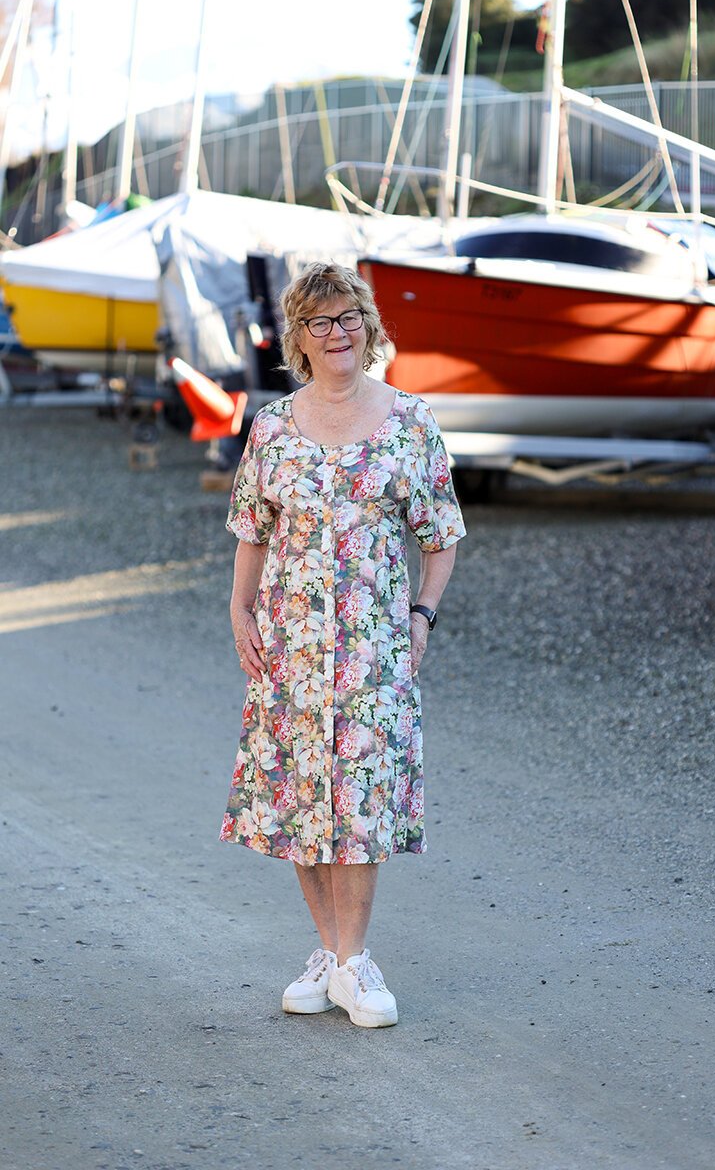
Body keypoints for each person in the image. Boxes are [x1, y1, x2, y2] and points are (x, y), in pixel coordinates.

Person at [219, 262, 465, 1028]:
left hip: (373, 649)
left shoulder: (409, 420)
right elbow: (252, 529)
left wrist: (423, 616)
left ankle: (356, 963)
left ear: (368, 326)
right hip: (289, 644)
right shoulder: (272, 427)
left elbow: (441, 536)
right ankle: (330, 954)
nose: (337, 333)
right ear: (299, 337)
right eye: (320, 322)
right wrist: (239, 609)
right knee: (301, 795)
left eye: (349, 317)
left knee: (359, 795)